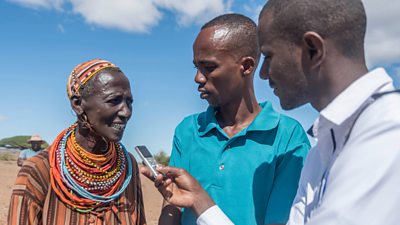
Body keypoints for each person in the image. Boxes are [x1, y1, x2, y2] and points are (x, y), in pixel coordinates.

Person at [143, 0, 400, 224]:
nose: (264, 73)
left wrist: (201, 204)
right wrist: (200, 202)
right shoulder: (326, 144)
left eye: (268, 56)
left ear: (313, 49)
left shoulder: (388, 132)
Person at [160, 13, 310, 225]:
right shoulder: (188, 130)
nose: (198, 78)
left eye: (209, 68)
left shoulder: (287, 137)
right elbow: (173, 204)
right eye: (196, 67)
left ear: (247, 66)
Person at [8, 59, 146, 225]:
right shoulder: (40, 170)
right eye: (114, 100)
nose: (126, 112)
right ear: (78, 104)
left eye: (129, 102)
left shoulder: (127, 166)